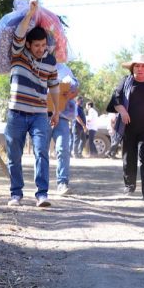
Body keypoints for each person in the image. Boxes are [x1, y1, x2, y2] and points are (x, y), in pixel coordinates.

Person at [4, 0, 60, 208]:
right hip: (16, 113)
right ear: (28, 44)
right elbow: (19, 33)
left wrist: (55, 110)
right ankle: (16, 193)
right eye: (36, 45)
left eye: (43, 45)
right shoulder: (18, 54)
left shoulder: (51, 61)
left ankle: (42, 194)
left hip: (39, 114)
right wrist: (31, 12)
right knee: (14, 155)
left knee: (41, 152)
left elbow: (54, 86)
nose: (40, 49)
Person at [109, 54, 144, 200]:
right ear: (132, 67)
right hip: (128, 126)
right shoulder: (125, 81)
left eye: (143, 66)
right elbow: (115, 98)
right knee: (129, 156)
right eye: (137, 66)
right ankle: (129, 185)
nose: (140, 69)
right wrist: (123, 111)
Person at [51, 65, 80, 195]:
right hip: (41, 116)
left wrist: (71, 93)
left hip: (62, 117)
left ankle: (62, 183)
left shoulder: (64, 69)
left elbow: (75, 88)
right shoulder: (36, 62)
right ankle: (41, 186)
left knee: (63, 149)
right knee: (40, 152)